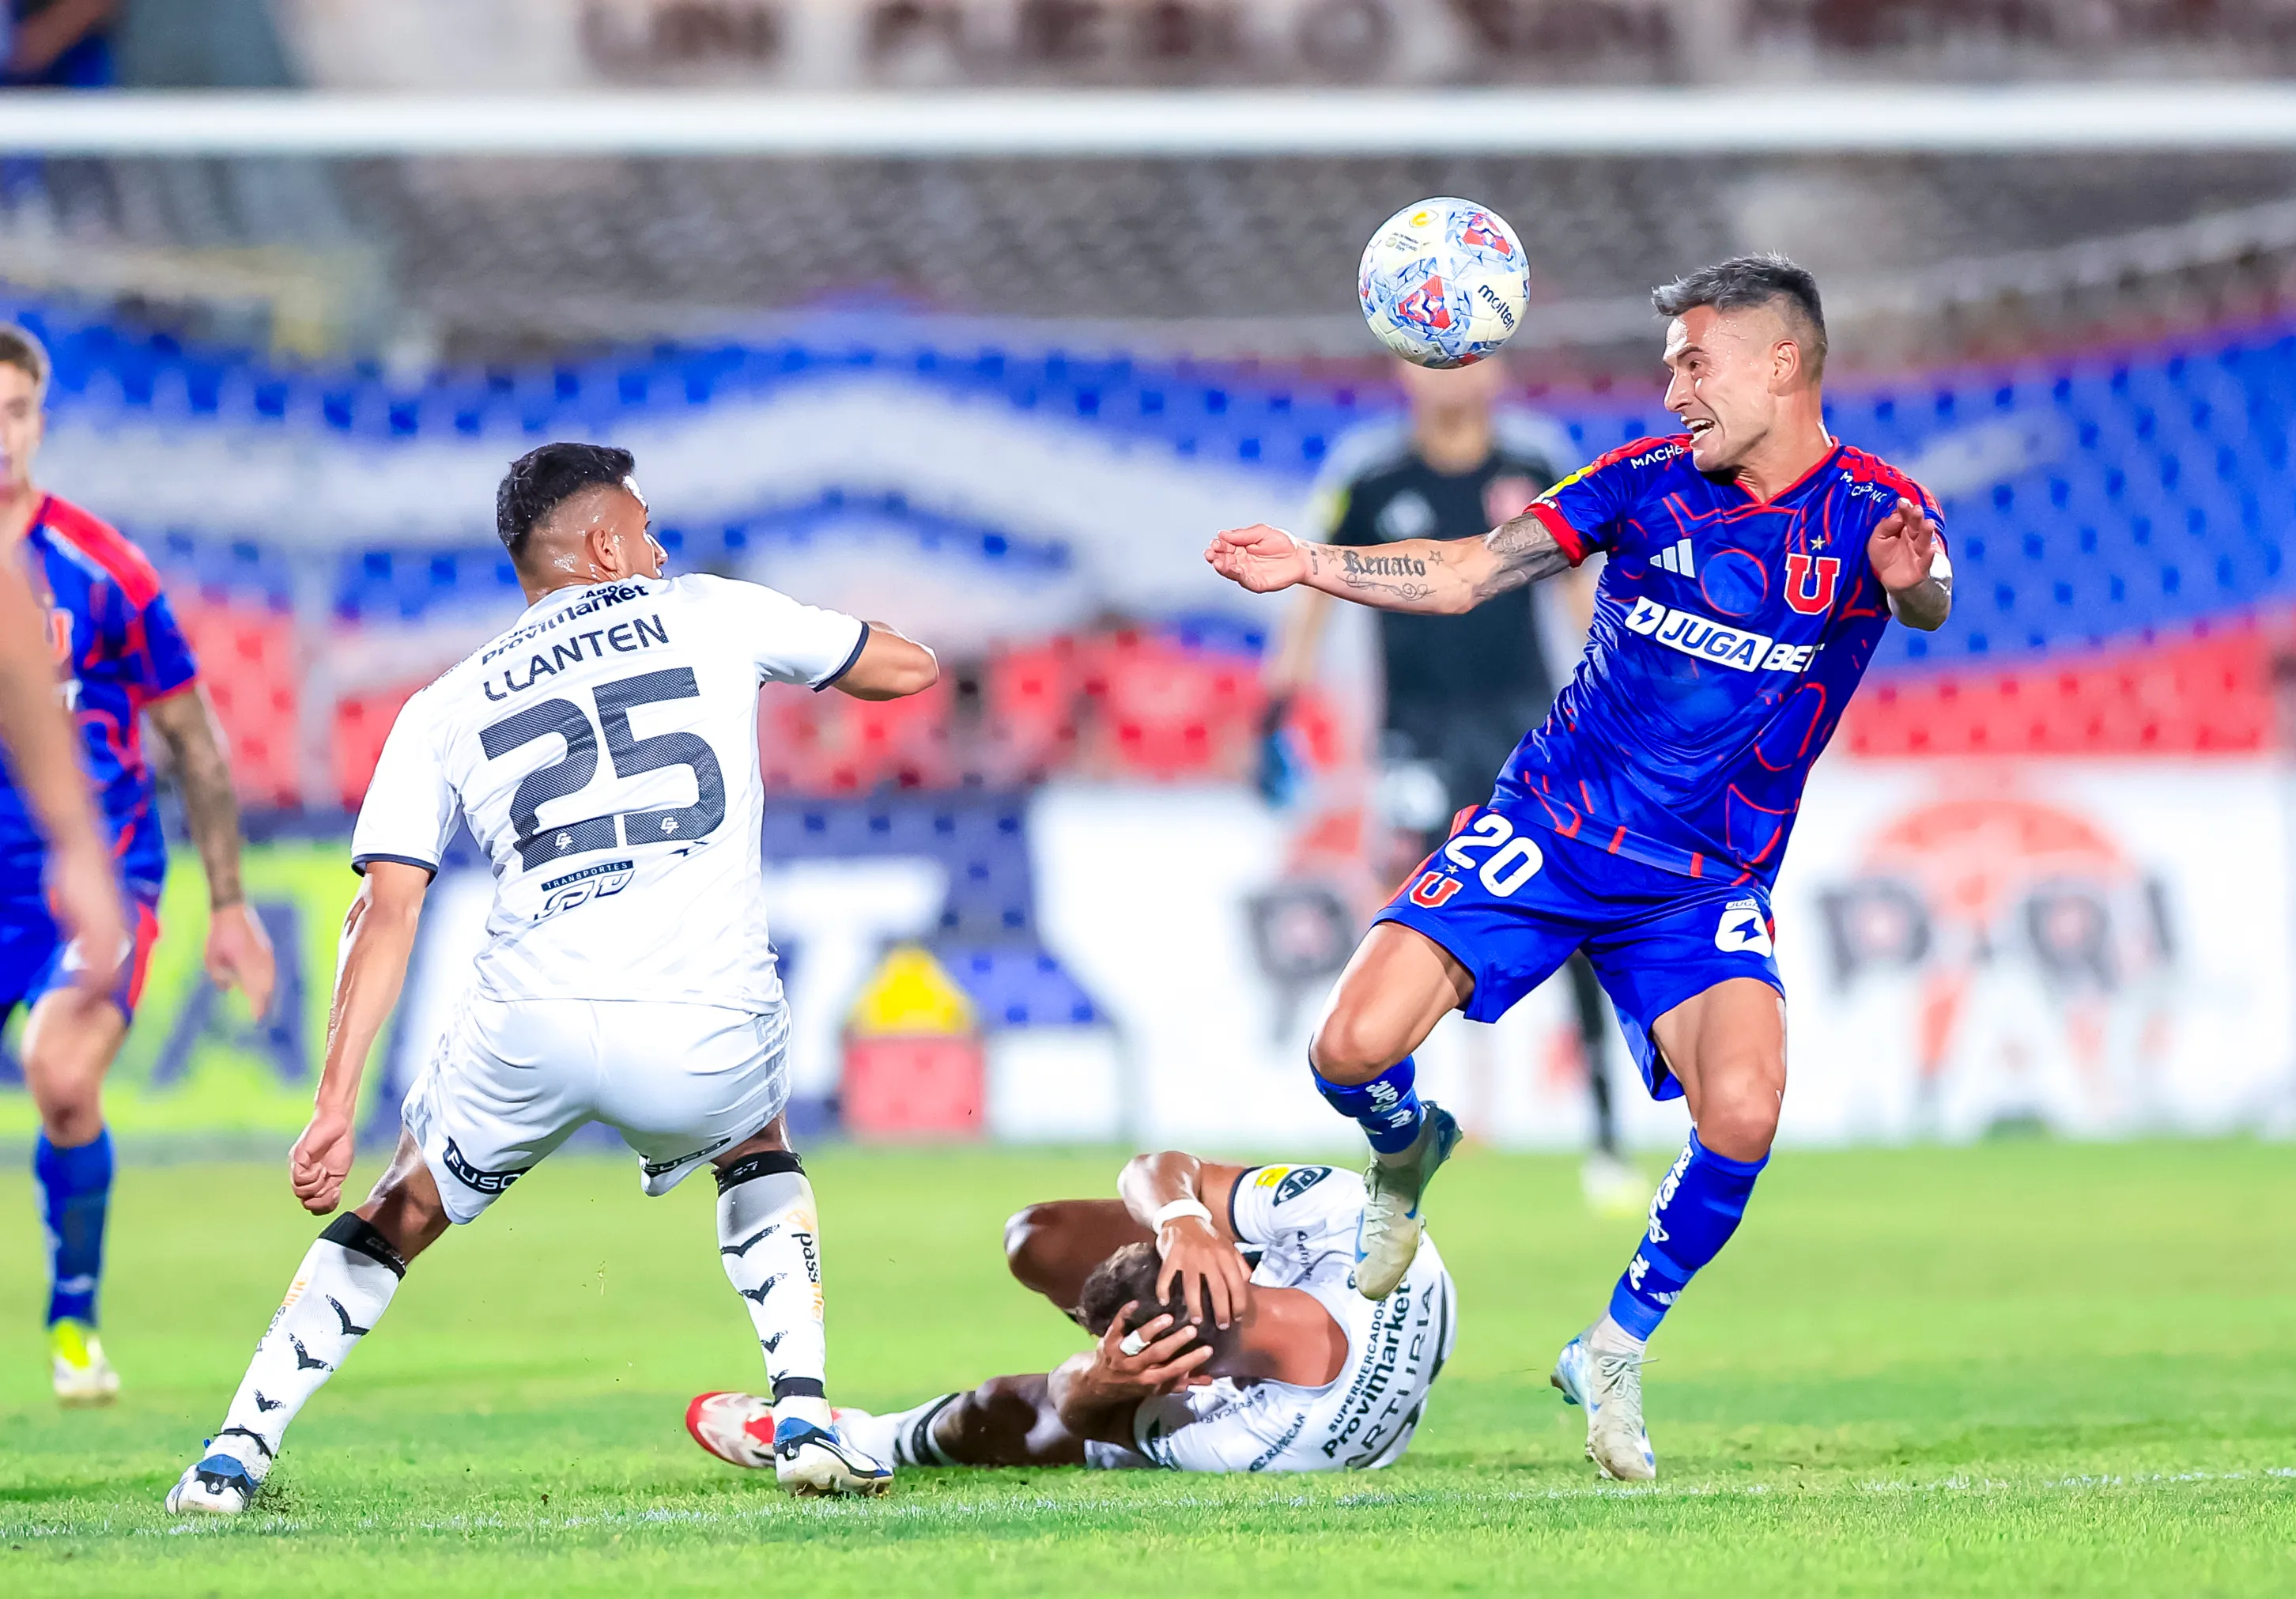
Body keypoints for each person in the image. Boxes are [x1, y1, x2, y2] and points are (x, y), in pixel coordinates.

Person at [1203, 255, 1953, 1480]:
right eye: (1668, 368)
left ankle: (1611, 1345)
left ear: (1782, 363)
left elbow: (1927, 593)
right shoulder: (1638, 484)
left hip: (1702, 879)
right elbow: (1463, 574)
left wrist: (1913, 581)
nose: (1672, 392)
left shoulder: (1872, 512)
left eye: (1692, 364)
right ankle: (1404, 1146)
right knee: (1345, 1050)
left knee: (1747, 1112)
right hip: (1546, 829)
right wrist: (1310, 561)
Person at [165, 441, 940, 1514]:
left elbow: (383, 910)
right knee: (756, 1140)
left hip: (528, 1015)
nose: (660, 545)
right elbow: (905, 668)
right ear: (605, 544)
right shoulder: (708, 608)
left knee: (402, 1205)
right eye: (647, 525)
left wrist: (333, 1105)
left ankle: (232, 1453)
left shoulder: (441, 701)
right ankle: (802, 1407)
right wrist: (853, 632)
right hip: (700, 1015)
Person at [1261, 356, 1640, 1212]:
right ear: (1400, 365)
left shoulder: (1537, 466)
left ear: (1504, 362)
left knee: (1578, 922)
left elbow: (1584, 598)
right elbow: (1312, 592)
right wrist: (1276, 706)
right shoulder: (1369, 474)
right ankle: (1399, 1139)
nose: (1452, 375)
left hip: (1529, 731)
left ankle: (1607, 1137)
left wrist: (1616, 707)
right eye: (1433, 355)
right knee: (1406, 922)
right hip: (1413, 738)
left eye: (1474, 353)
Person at [0, 324, 277, 1405]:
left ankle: (72, 1321)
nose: (1, 435)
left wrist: (233, 905)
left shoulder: (103, 568)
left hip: (93, 871)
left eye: (16, 411)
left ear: (41, 418)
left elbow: (194, 743)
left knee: (63, 1076)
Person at [685, 1150, 1455, 1477]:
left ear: (1182, 1376)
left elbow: (1072, 1408)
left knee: (1010, 1413)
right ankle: (1156, 1273)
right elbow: (1154, 1171)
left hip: (1280, 1408)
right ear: (1221, 1253)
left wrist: (1106, 1379)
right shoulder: (1349, 1221)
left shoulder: (1261, 1442)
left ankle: (861, 1436)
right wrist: (1180, 1216)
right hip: (1306, 1339)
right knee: (1038, 1239)